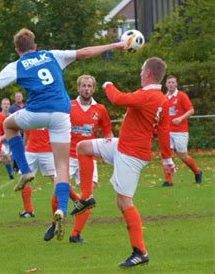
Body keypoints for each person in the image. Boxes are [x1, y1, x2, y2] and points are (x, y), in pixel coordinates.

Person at [0, 28, 125, 240]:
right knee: (62, 167)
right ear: (35, 46)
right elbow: (85, 52)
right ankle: (61, 209)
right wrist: (114, 45)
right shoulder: (52, 55)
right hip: (60, 113)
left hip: (35, 113)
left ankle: (25, 170)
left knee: (9, 126)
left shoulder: (17, 65)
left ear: (17, 50)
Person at [71, 57, 175, 267]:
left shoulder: (148, 95)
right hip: (122, 146)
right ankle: (86, 197)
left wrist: (107, 84)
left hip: (132, 154)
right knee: (83, 147)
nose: (139, 73)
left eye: (141, 70)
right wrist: (167, 158)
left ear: (147, 74)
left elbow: (117, 98)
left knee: (123, 202)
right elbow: (163, 131)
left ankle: (140, 251)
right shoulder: (161, 99)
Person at [43, 75, 112, 242]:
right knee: (57, 194)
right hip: (67, 156)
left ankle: (75, 235)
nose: (86, 89)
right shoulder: (68, 106)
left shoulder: (100, 109)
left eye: (89, 86)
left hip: (88, 157)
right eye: (83, 86)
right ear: (78, 88)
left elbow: (107, 131)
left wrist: (107, 148)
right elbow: (53, 124)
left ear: (93, 89)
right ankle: (55, 223)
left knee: (87, 197)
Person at [162, 75, 202, 186]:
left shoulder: (182, 96)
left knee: (183, 156)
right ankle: (168, 181)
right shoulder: (163, 97)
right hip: (166, 131)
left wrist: (180, 118)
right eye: (168, 82)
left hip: (180, 131)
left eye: (172, 82)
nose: (170, 84)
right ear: (166, 84)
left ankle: (197, 172)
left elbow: (191, 110)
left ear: (176, 84)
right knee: (166, 155)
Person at [19, 128, 55, 218]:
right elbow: (26, 133)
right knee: (24, 178)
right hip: (31, 151)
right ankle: (28, 210)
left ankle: (75, 201)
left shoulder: (51, 115)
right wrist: (23, 149)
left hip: (48, 151)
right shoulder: (31, 115)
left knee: (57, 179)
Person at [0, 98, 14, 180]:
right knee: (6, 156)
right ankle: (11, 172)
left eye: (7, 104)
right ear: (1, 105)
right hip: (1, 139)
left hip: (10, 138)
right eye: (4, 104)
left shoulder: (12, 116)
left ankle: (10, 173)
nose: (6, 105)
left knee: (6, 159)